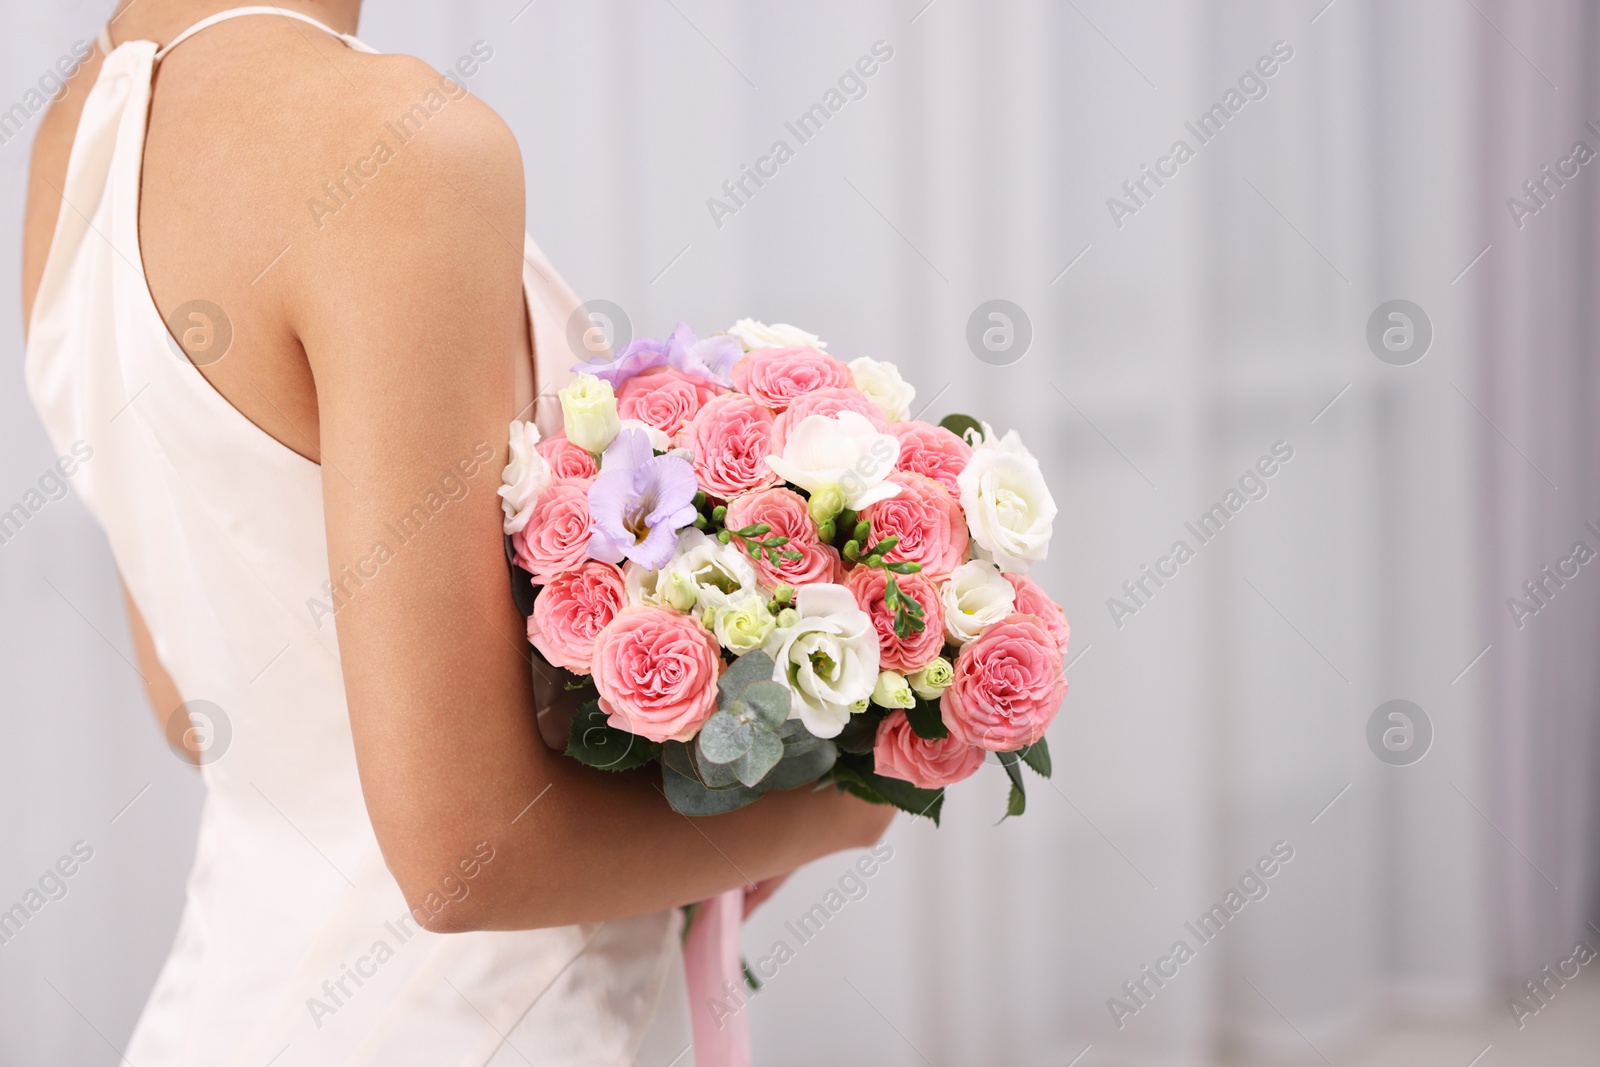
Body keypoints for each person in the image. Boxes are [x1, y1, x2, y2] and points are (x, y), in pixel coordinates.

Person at [20, 3, 893, 1063]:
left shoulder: (82, 132)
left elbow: (191, 708)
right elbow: (464, 862)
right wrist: (847, 798)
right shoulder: (392, 145)